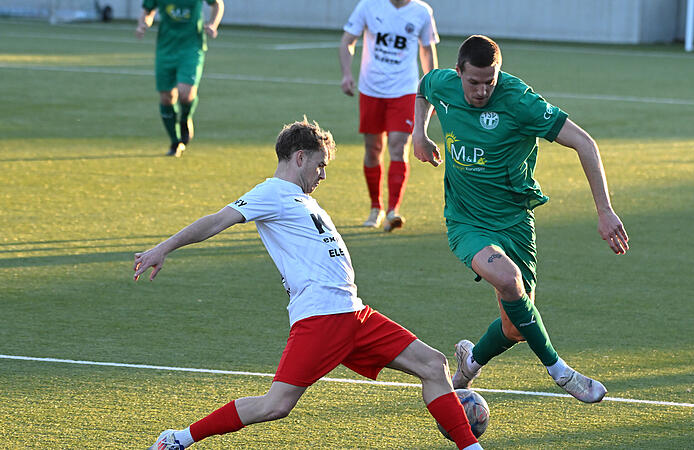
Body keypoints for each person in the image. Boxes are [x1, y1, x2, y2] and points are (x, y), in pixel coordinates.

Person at [135, 119, 482, 450]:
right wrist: (163, 248)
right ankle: (178, 438)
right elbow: (216, 221)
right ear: (300, 157)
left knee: (433, 365)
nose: (323, 174)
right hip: (322, 316)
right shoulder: (270, 192)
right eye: (320, 165)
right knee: (276, 405)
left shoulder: (302, 198)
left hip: (353, 313)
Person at [412, 35, 629, 404]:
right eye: (473, 82)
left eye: (489, 82)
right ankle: (561, 372)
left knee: (516, 327)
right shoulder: (443, 84)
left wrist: (605, 210)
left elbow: (584, 143)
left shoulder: (520, 101)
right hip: (467, 221)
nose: (481, 91)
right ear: (459, 72)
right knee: (508, 280)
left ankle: (467, 367)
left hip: (515, 221)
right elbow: (423, 87)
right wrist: (420, 131)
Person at [339, 0, 439, 231]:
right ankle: (376, 208)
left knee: (398, 144)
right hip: (371, 89)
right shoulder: (368, 6)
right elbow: (347, 41)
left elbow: (427, 50)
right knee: (373, 149)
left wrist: (430, 88)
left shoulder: (422, 12)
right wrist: (346, 74)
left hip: (405, 90)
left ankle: (393, 210)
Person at [135, 0, 224, 157]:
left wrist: (212, 24)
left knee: (185, 93)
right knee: (166, 98)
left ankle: (185, 119)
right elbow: (148, 11)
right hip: (166, 49)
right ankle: (175, 142)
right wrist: (143, 24)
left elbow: (217, 4)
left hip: (191, 47)